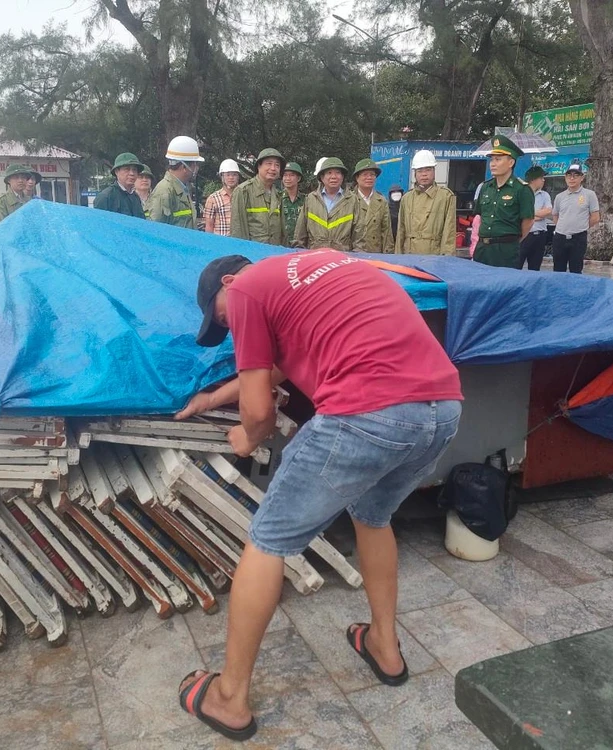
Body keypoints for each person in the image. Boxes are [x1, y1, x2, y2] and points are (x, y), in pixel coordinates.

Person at [175, 250, 462, 741]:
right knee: (373, 515)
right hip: (440, 408)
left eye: (221, 318)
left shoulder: (244, 290)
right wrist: (211, 398)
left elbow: (260, 411)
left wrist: (249, 436)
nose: (230, 329)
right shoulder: (320, 267)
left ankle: (230, 698)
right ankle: (385, 648)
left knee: (268, 540)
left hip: (366, 412)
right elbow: (275, 371)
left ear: (229, 282)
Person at [474, 137, 535, 268]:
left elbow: (528, 221)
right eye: (492, 159)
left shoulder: (522, 189)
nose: (492, 164)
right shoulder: (485, 187)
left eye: (498, 159)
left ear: (511, 162)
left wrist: (512, 240)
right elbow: (480, 216)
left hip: (506, 250)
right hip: (482, 248)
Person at [395, 150, 457, 256]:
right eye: (419, 171)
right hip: (409, 255)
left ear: (434, 171)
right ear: (414, 174)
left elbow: (449, 233)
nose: (424, 174)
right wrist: (398, 258)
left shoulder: (446, 197)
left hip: (433, 255)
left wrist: (446, 260)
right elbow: (400, 231)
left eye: (428, 170)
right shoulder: (407, 198)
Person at [293, 157, 361, 251]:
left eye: (337, 172)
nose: (333, 176)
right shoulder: (311, 199)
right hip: (316, 257)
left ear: (342, 177)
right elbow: (300, 236)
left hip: (343, 257)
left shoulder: (352, 200)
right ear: (322, 177)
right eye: (329, 173)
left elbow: (359, 237)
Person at [146, 136, 204, 229]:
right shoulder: (164, 191)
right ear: (184, 167)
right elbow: (154, 229)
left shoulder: (181, 188)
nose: (196, 168)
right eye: (194, 164)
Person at [551, 163, 600, 273]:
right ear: (565, 177)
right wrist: (562, 228)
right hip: (560, 237)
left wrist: (581, 226)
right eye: (569, 175)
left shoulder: (589, 195)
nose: (572, 178)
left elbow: (595, 217)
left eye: (575, 175)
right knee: (558, 270)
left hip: (578, 237)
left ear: (582, 177)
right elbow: (555, 215)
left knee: (576, 269)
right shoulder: (560, 197)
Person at [230, 149, 286, 245]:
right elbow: (238, 230)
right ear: (259, 166)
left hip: (275, 253)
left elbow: (282, 232)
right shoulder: (243, 191)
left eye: (277, 165)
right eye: (269, 163)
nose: (273, 168)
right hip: (254, 255)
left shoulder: (277, 194)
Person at [352, 158, 394, 253]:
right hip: (354, 254)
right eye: (365, 175)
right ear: (357, 178)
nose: (369, 178)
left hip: (375, 254)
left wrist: (388, 255)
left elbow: (386, 232)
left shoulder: (381, 201)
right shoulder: (349, 200)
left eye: (372, 175)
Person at [518, 166, 552, 270]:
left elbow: (547, 211)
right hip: (524, 235)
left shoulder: (544, 195)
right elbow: (519, 214)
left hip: (540, 236)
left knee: (535, 267)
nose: (543, 180)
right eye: (541, 178)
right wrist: (536, 216)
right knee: (517, 265)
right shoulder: (521, 193)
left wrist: (529, 215)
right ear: (534, 179)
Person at [93, 153, 147, 218]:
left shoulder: (135, 197)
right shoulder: (106, 197)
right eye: (127, 169)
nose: (132, 173)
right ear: (116, 172)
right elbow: (99, 224)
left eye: (134, 170)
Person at [204, 159, 241, 236]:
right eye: (227, 175)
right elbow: (209, 225)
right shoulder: (213, 199)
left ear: (238, 177)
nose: (231, 177)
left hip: (239, 242)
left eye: (234, 174)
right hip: (220, 243)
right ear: (222, 177)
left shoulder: (243, 196)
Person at [281, 162, 305, 241]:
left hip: (300, 245)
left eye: (291, 175)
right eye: (285, 175)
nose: (288, 178)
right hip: (280, 245)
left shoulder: (306, 200)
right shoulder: (276, 198)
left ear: (298, 178)